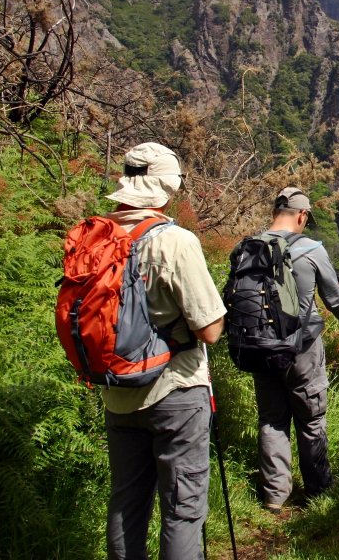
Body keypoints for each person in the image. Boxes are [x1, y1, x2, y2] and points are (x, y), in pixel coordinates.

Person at [101, 143, 226, 560]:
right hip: (176, 391)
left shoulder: (98, 237)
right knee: (183, 508)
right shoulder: (174, 241)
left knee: (126, 503)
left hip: (117, 393)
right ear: (166, 189)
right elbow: (209, 330)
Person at [252, 186, 339, 511]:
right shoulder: (311, 249)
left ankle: (275, 494)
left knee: (272, 419)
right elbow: (333, 298)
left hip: (262, 347)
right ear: (302, 215)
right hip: (302, 348)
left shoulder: (250, 246)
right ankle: (318, 488)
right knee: (311, 417)